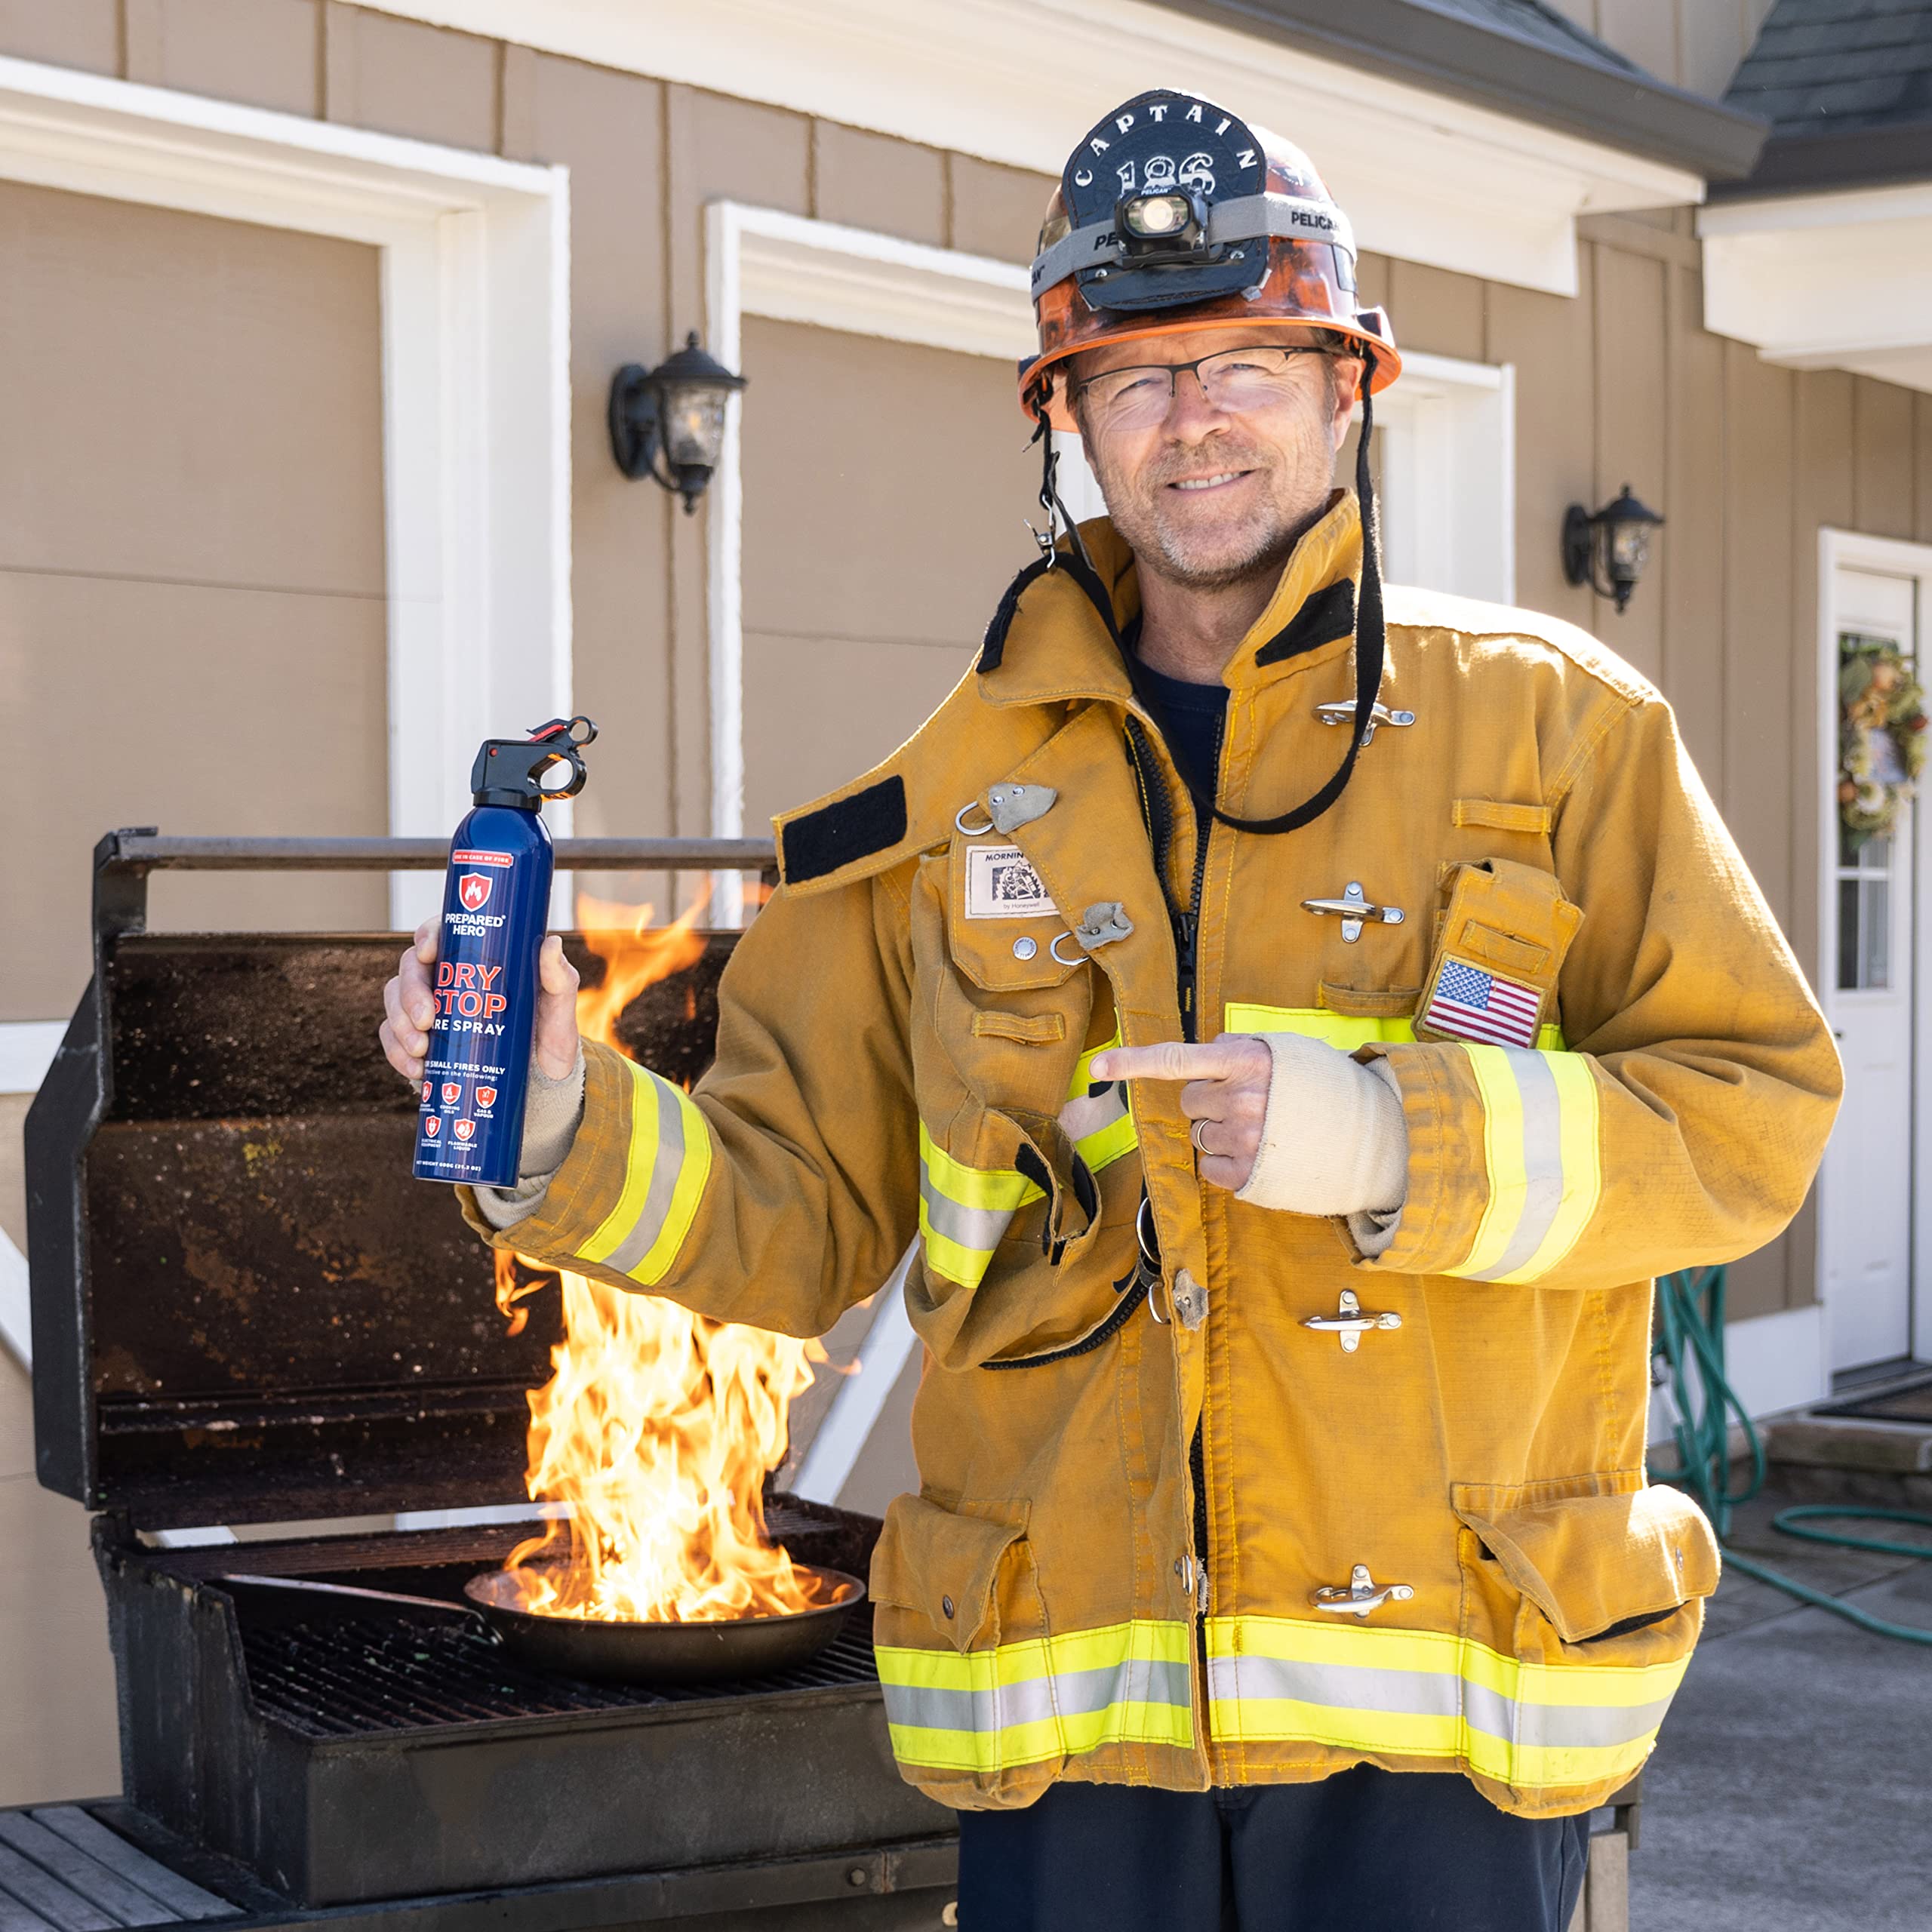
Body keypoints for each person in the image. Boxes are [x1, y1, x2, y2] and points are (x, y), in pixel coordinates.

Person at [380, 89, 1841, 1932]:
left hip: (1445, 1731)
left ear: (1344, 387)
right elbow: (795, 1204)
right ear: (1064, 423)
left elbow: (1752, 1115)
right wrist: (541, 1119)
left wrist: (1396, 1137)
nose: (1191, 419)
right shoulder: (930, 806)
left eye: (1242, 359)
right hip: (1070, 1725)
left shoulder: (1557, 731)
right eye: (1132, 378)